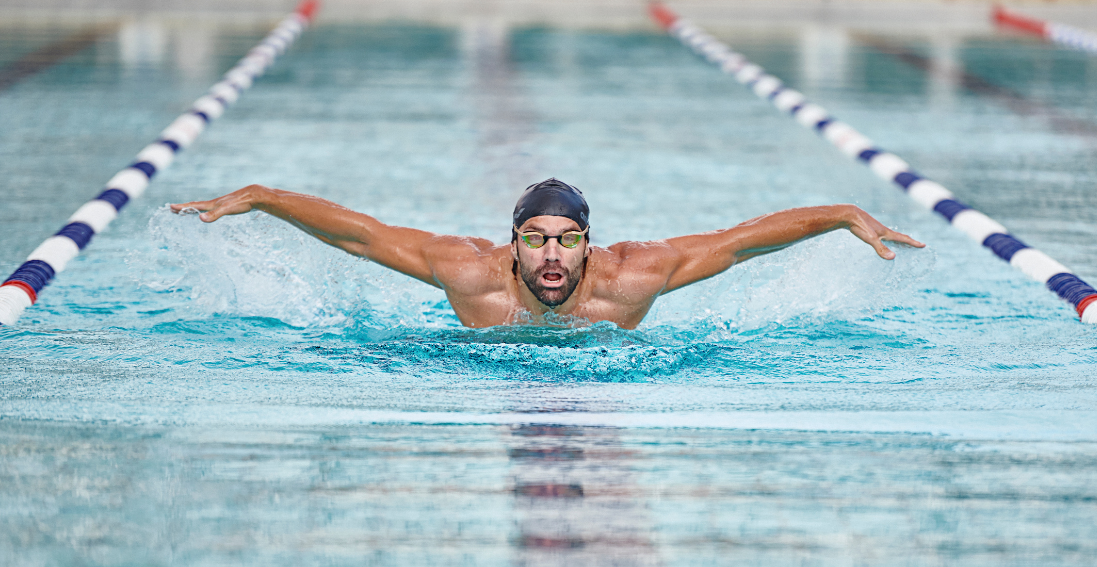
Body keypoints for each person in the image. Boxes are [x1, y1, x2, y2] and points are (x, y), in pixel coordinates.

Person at [170, 178, 924, 329]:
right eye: (536, 240)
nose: (551, 257)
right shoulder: (471, 274)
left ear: (590, 247)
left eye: (566, 241)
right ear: (513, 245)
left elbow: (740, 243)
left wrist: (839, 214)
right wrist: (263, 196)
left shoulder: (631, 279)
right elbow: (362, 234)